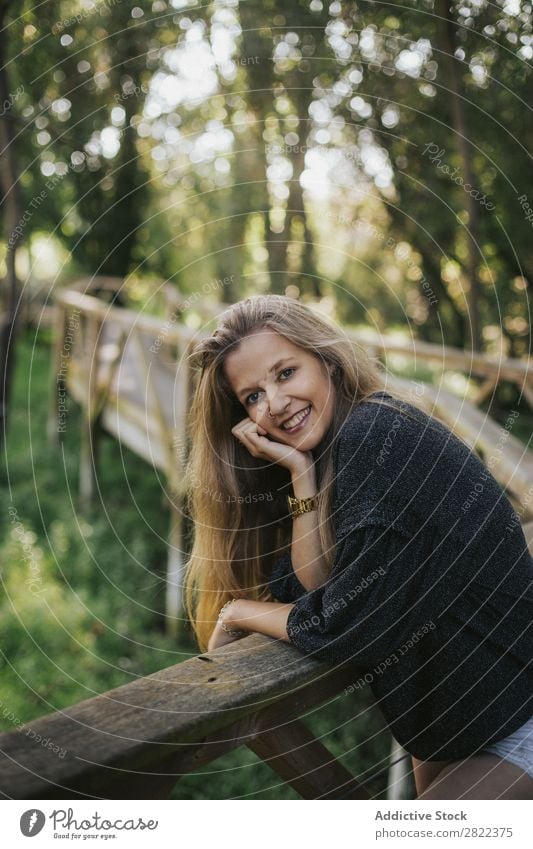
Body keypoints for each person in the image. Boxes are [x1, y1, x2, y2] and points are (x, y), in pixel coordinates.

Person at [183, 294, 533, 800]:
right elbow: (319, 585)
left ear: (326, 359)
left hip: (517, 715)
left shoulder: (375, 434)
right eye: (252, 396)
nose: (274, 404)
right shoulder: (334, 452)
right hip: (463, 727)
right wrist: (302, 478)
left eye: (285, 373)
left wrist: (241, 612)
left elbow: (346, 619)